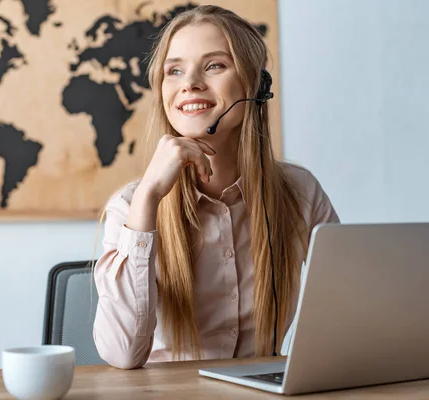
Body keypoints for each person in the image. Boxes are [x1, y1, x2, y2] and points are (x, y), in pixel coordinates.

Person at [91, 5, 339, 370]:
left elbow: (348, 308)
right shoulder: (130, 206)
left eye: (214, 66)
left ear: (256, 84)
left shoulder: (300, 193)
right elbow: (122, 355)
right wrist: (147, 200)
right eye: (174, 70)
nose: (189, 83)